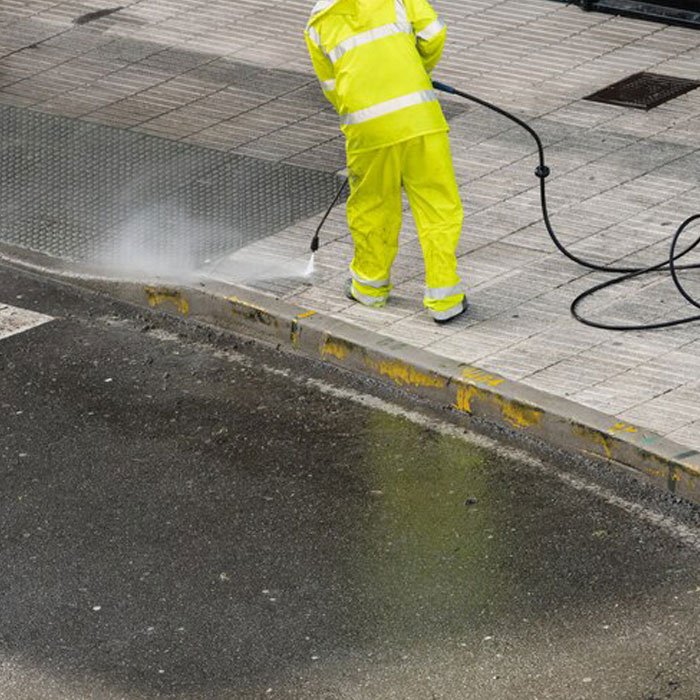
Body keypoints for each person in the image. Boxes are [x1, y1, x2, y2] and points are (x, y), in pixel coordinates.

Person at [304, 0, 466, 323]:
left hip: (368, 129)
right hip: (419, 119)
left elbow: (333, 88)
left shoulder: (318, 25)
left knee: (372, 205)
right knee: (437, 205)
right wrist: (417, 72)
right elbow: (434, 34)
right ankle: (445, 298)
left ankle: (369, 286)